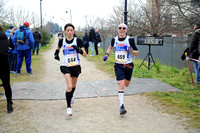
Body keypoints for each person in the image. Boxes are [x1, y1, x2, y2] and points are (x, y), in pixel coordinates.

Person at [103, 23, 139, 115]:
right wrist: (107, 54)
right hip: (118, 65)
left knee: (126, 84)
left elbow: (137, 53)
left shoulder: (130, 40)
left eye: (124, 28)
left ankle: (122, 100)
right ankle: (121, 106)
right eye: (120, 28)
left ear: (126, 30)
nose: (121, 29)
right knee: (121, 83)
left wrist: (130, 50)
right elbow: (111, 47)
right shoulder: (114, 39)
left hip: (128, 65)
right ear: (118, 29)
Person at [54, 23, 87, 116]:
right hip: (65, 65)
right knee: (69, 86)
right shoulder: (62, 41)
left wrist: (79, 50)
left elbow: (85, 54)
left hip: (76, 66)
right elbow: (58, 48)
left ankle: (71, 95)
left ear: (73, 31)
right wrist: (56, 54)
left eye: (71, 30)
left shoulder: (78, 41)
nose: (69, 32)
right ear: (65, 31)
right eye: (67, 30)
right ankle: (68, 107)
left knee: (73, 85)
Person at [0, 25, 13, 113]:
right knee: (6, 85)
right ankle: (9, 104)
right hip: (4, 63)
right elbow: (11, 47)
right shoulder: (6, 37)